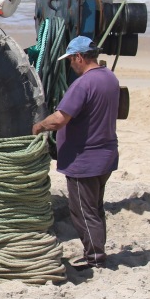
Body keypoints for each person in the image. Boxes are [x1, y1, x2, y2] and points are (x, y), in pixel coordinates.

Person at [32, 35, 120, 270]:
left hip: (85, 160)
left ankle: (94, 259)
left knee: (82, 210)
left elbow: (60, 119)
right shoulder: (109, 78)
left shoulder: (83, 84)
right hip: (106, 155)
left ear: (79, 57)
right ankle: (97, 252)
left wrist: (39, 126)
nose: (70, 64)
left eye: (71, 59)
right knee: (95, 208)